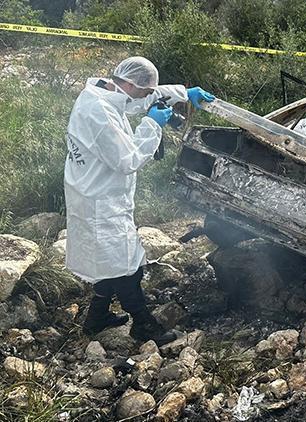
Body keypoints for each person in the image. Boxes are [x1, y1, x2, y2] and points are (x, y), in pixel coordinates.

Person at [64, 56, 215, 345]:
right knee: (127, 264)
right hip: (100, 200)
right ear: (130, 84)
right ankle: (144, 324)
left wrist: (184, 93)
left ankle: (96, 319)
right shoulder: (99, 112)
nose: (147, 97)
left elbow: (138, 99)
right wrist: (151, 126)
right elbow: (127, 159)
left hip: (95, 191)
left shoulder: (105, 92)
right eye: (146, 91)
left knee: (108, 260)